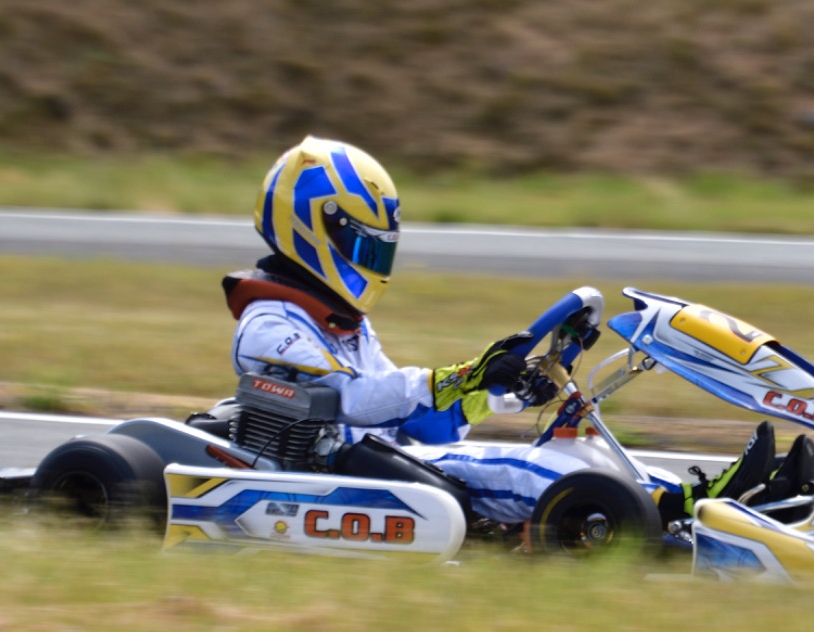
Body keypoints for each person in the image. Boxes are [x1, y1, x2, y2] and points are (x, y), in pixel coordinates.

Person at [222, 135, 779, 527]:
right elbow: (354, 400)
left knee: (576, 453)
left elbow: (423, 424)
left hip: (389, 461)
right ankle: (662, 514)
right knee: (527, 469)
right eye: (364, 246)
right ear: (310, 227)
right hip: (340, 472)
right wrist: (464, 372)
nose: (373, 261)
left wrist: (497, 394)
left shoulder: (343, 325)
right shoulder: (267, 323)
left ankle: (705, 497)